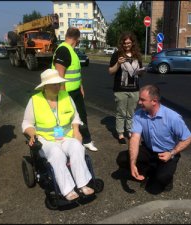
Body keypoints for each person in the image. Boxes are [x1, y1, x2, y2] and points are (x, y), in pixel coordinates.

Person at [22, 69, 95, 201]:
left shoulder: (66, 96)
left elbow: (75, 116)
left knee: (77, 147)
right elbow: (27, 123)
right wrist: (32, 134)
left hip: (66, 136)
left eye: (58, 83)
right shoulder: (34, 100)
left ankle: (82, 184)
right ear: (45, 86)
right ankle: (67, 189)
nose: (57, 87)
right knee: (56, 153)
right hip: (46, 140)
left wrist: (76, 131)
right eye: (53, 84)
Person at [116, 84, 191, 193]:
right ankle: (148, 171)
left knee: (155, 187)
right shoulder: (139, 115)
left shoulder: (172, 117)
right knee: (122, 158)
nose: (139, 102)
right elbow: (134, 138)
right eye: (139, 99)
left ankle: (165, 177)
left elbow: (188, 138)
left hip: (167, 153)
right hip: (149, 149)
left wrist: (172, 153)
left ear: (154, 101)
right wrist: (132, 164)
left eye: (143, 100)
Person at [51, 27, 98, 151]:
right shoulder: (63, 50)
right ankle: (59, 141)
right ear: (77, 39)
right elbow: (60, 75)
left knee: (82, 116)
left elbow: (76, 72)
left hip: (75, 91)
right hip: (65, 92)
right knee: (60, 118)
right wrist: (62, 96)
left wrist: (80, 87)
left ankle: (86, 140)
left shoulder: (71, 50)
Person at [108, 32, 144, 144]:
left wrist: (141, 71)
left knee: (131, 113)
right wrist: (118, 64)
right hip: (121, 89)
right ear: (122, 44)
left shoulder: (137, 55)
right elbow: (110, 71)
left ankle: (129, 131)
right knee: (121, 113)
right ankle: (120, 134)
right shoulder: (117, 54)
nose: (127, 45)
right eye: (124, 43)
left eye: (129, 43)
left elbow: (140, 72)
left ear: (133, 43)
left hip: (134, 89)